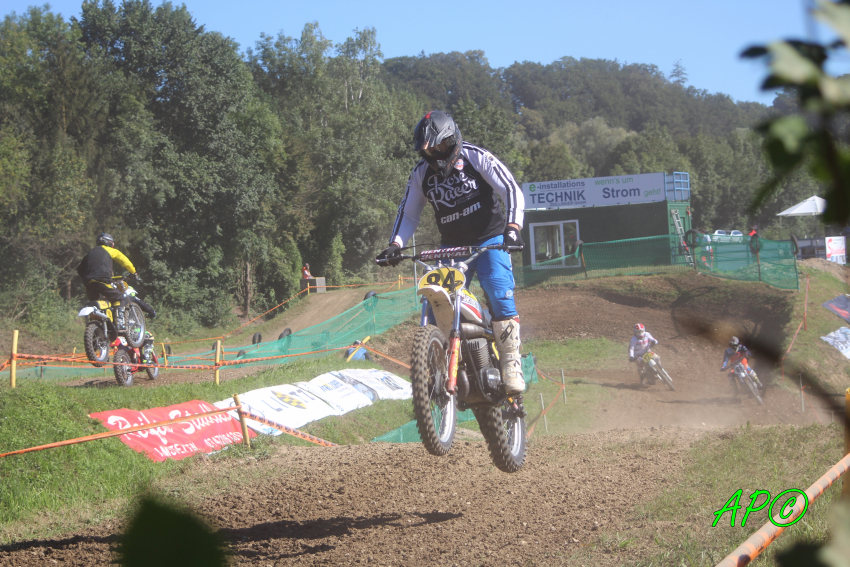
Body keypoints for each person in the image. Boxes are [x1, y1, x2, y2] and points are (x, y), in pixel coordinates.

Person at [376, 110, 526, 395]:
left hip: (491, 239)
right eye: (428, 151)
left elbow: (510, 190)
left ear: (453, 139)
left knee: (498, 292)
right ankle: (440, 366)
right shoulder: (421, 174)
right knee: (438, 303)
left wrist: (513, 228)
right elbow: (408, 214)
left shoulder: (476, 157)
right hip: (452, 247)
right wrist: (395, 244)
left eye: (441, 147)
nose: (435, 155)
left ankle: (510, 362)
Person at [76, 232, 140, 331]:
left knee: (95, 304)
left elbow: (80, 270)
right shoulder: (110, 250)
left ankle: (97, 329)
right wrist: (134, 272)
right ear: (110, 243)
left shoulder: (89, 253)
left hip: (88, 283)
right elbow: (125, 261)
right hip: (102, 281)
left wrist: (87, 278)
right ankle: (119, 323)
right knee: (119, 298)